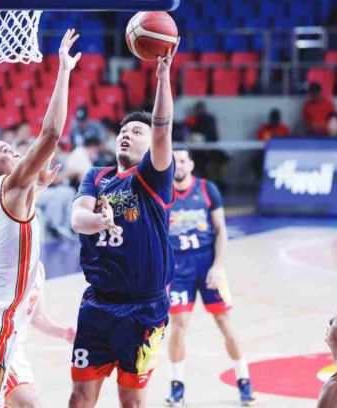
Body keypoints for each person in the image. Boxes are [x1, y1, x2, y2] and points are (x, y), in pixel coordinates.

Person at [0, 29, 80, 408]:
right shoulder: (7, 188)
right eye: (9, 150)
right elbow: (53, 133)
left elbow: (10, 224)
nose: (18, 153)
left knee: (27, 405)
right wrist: (64, 71)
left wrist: (36, 189)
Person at [68, 39, 179, 408]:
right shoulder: (97, 177)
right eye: (123, 130)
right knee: (80, 398)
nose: (126, 134)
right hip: (98, 305)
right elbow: (76, 218)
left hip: (144, 309)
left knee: (131, 402)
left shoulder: (152, 178)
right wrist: (99, 219)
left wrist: (162, 79)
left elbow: (162, 129)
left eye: (136, 132)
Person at [165, 149, 255, 407]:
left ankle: (244, 380)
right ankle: (177, 386)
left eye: (182, 160)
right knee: (179, 324)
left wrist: (218, 266)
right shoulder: (162, 192)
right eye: (174, 161)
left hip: (207, 264)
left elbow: (221, 231)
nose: (178, 165)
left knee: (224, 322)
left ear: (191, 164)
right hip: (178, 268)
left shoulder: (207, 189)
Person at [0, 261, 77, 408]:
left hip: (16, 353)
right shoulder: (3, 266)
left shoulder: (38, 268)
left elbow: (37, 316)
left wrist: (63, 333)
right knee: (30, 404)